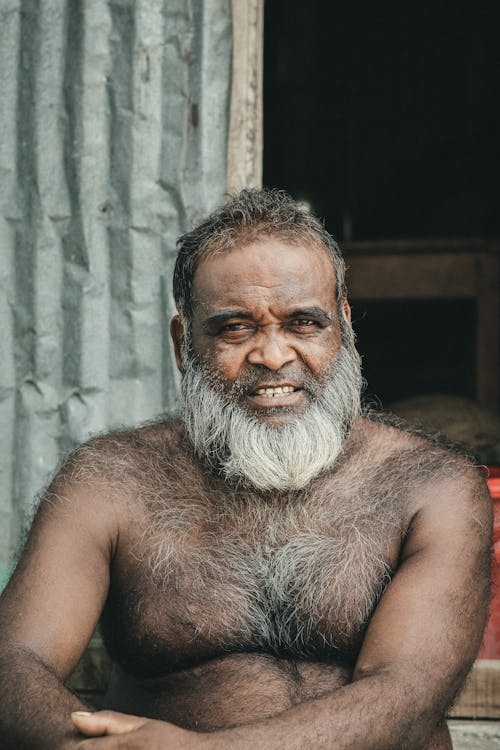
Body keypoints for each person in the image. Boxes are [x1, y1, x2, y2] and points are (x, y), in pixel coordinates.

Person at [0, 189, 491, 749]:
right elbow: (14, 661)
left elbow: (406, 691)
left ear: (344, 330)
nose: (273, 356)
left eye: (304, 323)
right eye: (235, 328)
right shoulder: (110, 481)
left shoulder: (431, 486)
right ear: (184, 345)